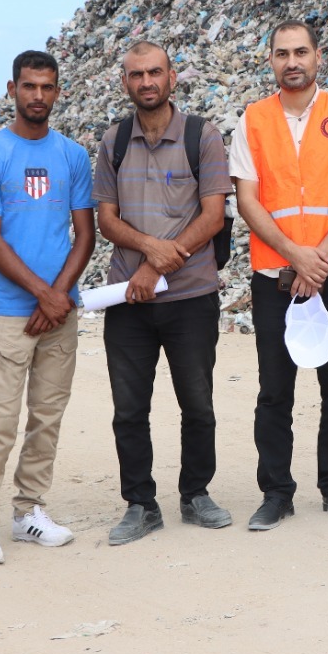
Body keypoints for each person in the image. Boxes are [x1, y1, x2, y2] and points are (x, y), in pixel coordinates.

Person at [231, 20, 328, 529]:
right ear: (270, 60)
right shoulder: (252, 120)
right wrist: (296, 256)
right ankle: (276, 493)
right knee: (275, 390)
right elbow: (248, 200)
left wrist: (320, 259)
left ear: (318, 57)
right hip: (275, 274)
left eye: (300, 52)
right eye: (282, 53)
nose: (292, 62)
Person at [0, 50, 96, 566]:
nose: (37, 95)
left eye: (46, 86)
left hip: (58, 314)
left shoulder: (72, 155)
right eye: (28, 86)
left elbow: (85, 234)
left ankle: (29, 512)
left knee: (46, 417)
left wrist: (58, 296)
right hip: (9, 313)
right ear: (12, 89)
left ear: (58, 91)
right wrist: (45, 293)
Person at [95, 41, 231, 546]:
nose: (146, 82)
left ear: (172, 78)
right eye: (136, 75)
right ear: (125, 82)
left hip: (191, 297)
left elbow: (212, 217)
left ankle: (196, 494)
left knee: (197, 404)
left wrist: (155, 265)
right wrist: (151, 251)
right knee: (130, 410)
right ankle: (140, 504)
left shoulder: (202, 136)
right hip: (128, 300)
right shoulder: (114, 141)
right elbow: (106, 219)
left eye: (155, 72)